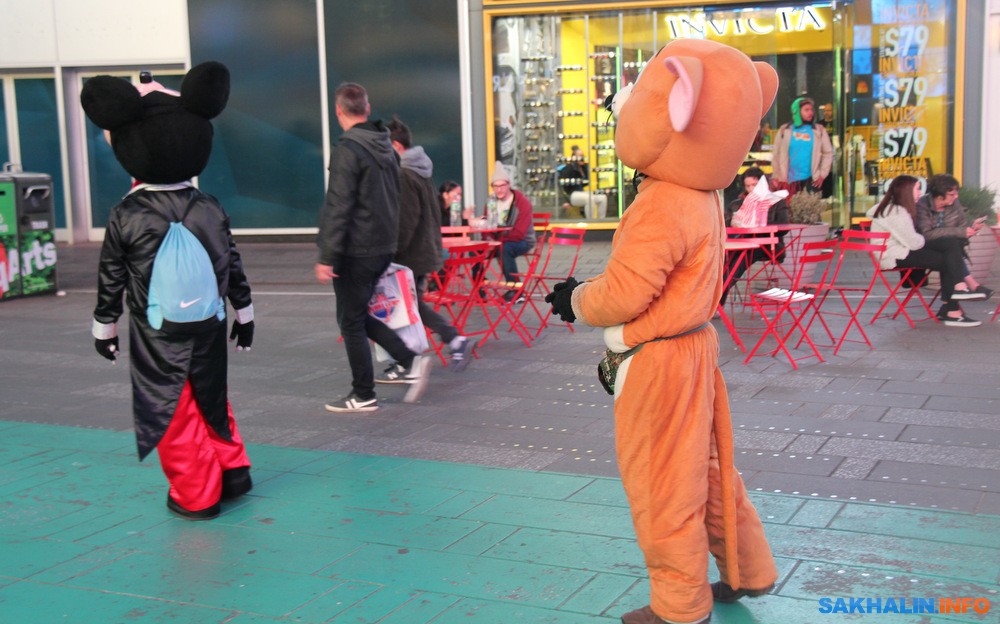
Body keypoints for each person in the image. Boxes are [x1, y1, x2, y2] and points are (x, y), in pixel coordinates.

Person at [546, 40, 779, 624]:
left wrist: (574, 300)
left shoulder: (663, 202)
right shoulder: (705, 196)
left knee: (662, 484)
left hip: (657, 360)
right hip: (696, 348)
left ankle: (679, 604)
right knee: (711, 471)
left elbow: (626, 293)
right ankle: (748, 568)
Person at [82, 63, 254, 520]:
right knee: (211, 394)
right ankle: (233, 470)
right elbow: (231, 263)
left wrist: (105, 327)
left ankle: (196, 493)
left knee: (172, 405)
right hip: (211, 322)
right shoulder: (209, 206)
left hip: (157, 330)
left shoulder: (127, 214)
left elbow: (111, 276)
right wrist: (245, 313)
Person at [315, 83, 431, 412]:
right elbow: (394, 199)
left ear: (338, 111)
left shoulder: (348, 150)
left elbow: (338, 206)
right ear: (367, 109)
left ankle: (363, 393)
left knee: (350, 321)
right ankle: (409, 360)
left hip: (355, 249)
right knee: (356, 315)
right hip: (381, 247)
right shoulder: (386, 146)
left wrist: (327, 255)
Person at [386, 116, 472, 371]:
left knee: (404, 305)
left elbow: (406, 220)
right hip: (424, 251)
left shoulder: (405, 174)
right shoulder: (421, 171)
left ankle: (443, 344)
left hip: (410, 254)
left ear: (396, 146)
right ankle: (447, 342)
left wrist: (392, 252)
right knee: (409, 305)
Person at [867, 175, 986, 327]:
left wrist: (929, 239)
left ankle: (957, 295)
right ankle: (953, 307)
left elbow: (913, 240)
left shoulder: (897, 209)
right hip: (893, 256)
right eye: (917, 189)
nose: (920, 193)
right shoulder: (896, 212)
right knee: (948, 256)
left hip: (902, 250)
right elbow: (914, 242)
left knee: (949, 246)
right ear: (907, 191)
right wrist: (926, 239)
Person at [913, 174, 994, 306]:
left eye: (956, 193)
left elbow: (962, 226)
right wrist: (960, 232)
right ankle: (967, 287)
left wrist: (971, 227)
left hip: (948, 247)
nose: (956, 196)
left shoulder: (954, 203)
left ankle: (951, 306)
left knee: (951, 250)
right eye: (951, 194)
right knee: (950, 249)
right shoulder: (923, 204)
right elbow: (926, 234)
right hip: (925, 246)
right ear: (939, 195)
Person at [720, 167, 790, 306]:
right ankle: (714, 299)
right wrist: (733, 222)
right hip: (740, 243)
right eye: (748, 186)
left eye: (754, 185)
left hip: (766, 246)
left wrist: (758, 223)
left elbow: (783, 227)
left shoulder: (776, 202)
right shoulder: (737, 204)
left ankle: (715, 299)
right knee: (723, 260)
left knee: (741, 258)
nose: (751, 189)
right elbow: (724, 224)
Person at [483, 161, 536, 297]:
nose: (499, 189)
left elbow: (519, 233)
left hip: (522, 241)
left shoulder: (521, 202)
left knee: (505, 249)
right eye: (495, 186)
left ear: (508, 185)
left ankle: (515, 290)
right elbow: (487, 226)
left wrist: (496, 242)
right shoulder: (491, 202)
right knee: (474, 249)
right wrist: (487, 238)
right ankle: (479, 285)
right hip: (497, 241)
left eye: (502, 185)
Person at [771, 96, 834, 196]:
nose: (810, 112)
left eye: (811, 110)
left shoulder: (819, 130)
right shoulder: (785, 130)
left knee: (810, 206)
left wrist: (822, 175)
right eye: (806, 110)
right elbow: (776, 154)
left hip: (811, 181)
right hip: (788, 181)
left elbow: (828, 153)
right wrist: (776, 176)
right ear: (797, 111)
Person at [558, 145, 608, 219]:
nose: (582, 158)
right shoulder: (568, 168)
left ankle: (601, 220)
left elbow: (586, 182)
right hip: (572, 194)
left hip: (582, 192)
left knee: (602, 197)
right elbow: (562, 186)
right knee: (589, 199)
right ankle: (591, 221)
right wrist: (564, 201)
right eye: (580, 156)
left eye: (582, 156)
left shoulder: (583, 167)